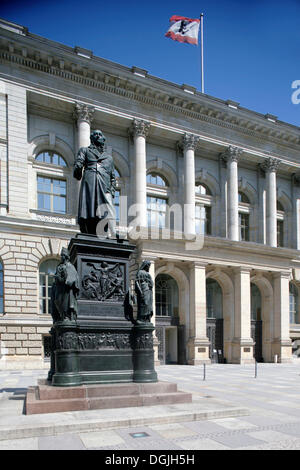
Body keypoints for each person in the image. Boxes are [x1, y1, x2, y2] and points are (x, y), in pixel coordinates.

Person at [73, 129, 116, 236]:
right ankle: (90, 228)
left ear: (103, 140)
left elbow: (113, 178)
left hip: (104, 186)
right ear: (91, 138)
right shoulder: (85, 150)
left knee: (106, 209)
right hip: (90, 183)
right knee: (89, 207)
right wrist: (78, 167)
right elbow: (79, 166)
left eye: (100, 135)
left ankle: (112, 231)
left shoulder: (109, 158)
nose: (97, 136)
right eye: (95, 134)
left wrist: (112, 191)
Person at [51, 247, 79, 322]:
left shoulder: (70, 266)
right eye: (61, 255)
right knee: (57, 302)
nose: (61, 257)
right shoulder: (59, 266)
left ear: (66, 257)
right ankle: (61, 316)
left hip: (66, 290)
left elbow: (72, 277)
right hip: (59, 289)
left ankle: (66, 316)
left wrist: (66, 281)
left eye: (62, 255)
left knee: (65, 304)